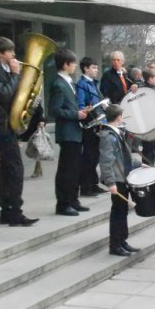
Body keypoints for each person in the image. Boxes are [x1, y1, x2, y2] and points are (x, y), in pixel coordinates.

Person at [0, 36, 39, 226]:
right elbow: (4, 95)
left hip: (8, 126)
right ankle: (15, 212)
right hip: (0, 127)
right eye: (9, 51)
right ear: (0, 53)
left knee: (8, 170)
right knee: (15, 169)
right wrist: (16, 76)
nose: (14, 54)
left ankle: (7, 211)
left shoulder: (4, 70)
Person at [49, 48, 89, 217]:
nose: (75, 67)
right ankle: (63, 203)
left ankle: (73, 199)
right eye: (72, 64)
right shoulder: (58, 84)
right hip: (67, 132)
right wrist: (75, 114)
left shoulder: (69, 82)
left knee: (75, 168)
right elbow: (55, 110)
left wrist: (83, 111)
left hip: (75, 131)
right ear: (65, 65)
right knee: (66, 169)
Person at [98, 104, 142, 256]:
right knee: (117, 213)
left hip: (123, 178)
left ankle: (123, 241)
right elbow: (106, 161)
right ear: (118, 117)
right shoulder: (108, 136)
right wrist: (110, 183)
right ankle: (115, 245)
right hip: (117, 180)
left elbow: (123, 157)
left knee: (122, 212)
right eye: (122, 116)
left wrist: (139, 164)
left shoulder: (116, 133)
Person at [76, 56, 105, 196]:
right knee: (89, 155)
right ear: (86, 68)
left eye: (97, 67)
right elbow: (81, 104)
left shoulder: (93, 83)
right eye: (93, 67)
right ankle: (85, 186)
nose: (96, 70)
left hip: (98, 121)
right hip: (90, 124)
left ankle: (94, 183)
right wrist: (86, 110)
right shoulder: (82, 84)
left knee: (96, 155)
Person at [137, 68, 155, 166]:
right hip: (149, 124)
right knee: (150, 149)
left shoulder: (146, 89)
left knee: (150, 148)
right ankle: (148, 168)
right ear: (150, 79)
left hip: (148, 123)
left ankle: (149, 166)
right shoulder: (148, 90)